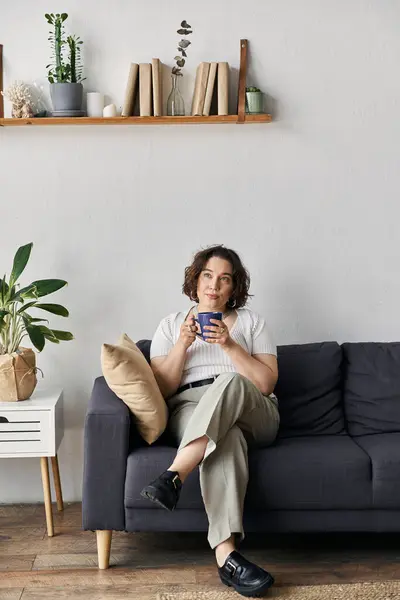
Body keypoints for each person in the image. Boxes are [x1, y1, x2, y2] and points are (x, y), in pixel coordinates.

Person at [141, 244, 280, 598]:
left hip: (253, 407)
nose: (214, 285)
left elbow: (265, 384)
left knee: (230, 381)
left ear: (234, 288)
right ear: (196, 279)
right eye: (207, 276)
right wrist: (182, 345)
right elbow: (163, 388)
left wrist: (231, 347)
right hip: (191, 407)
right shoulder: (171, 325)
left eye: (224, 279)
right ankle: (228, 558)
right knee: (225, 437)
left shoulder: (251, 322)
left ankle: (175, 474)